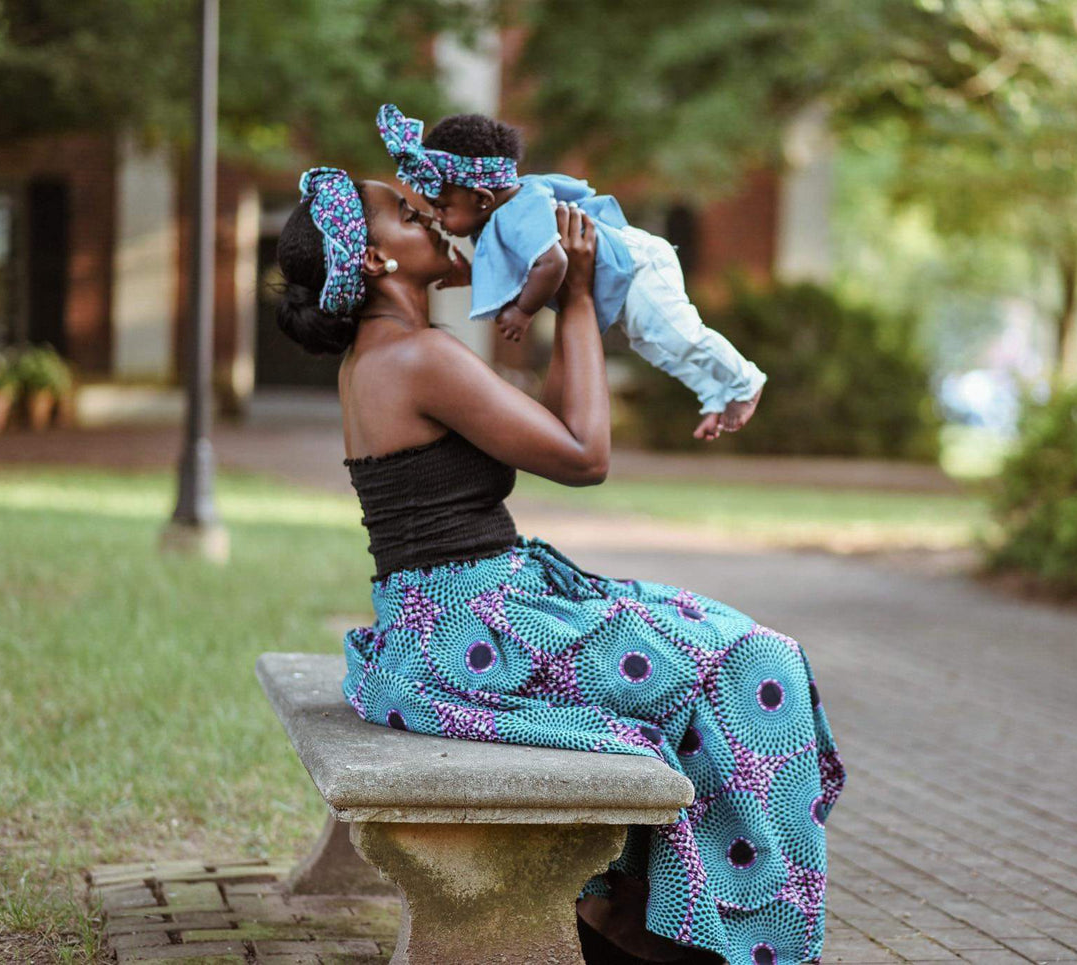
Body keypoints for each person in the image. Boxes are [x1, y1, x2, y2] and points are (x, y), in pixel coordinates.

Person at [274, 166, 844, 965]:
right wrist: (577, 297)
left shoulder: (391, 353)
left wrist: (553, 299)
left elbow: (545, 422)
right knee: (752, 661)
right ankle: (702, 932)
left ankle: (641, 916)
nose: (437, 215)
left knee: (711, 638)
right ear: (375, 262)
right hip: (476, 629)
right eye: (408, 212)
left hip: (456, 618)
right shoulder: (416, 356)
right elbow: (583, 454)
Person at [376, 103, 766, 443]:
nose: (436, 217)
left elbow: (553, 264)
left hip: (636, 267)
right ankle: (715, 394)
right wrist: (472, 275)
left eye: (442, 207)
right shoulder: (500, 214)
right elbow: (523, 265)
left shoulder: (517, 214)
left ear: (481, 199)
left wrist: (523, 311)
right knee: (656, 345)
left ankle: (746, 380)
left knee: (681, 337)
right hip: (623, 276)